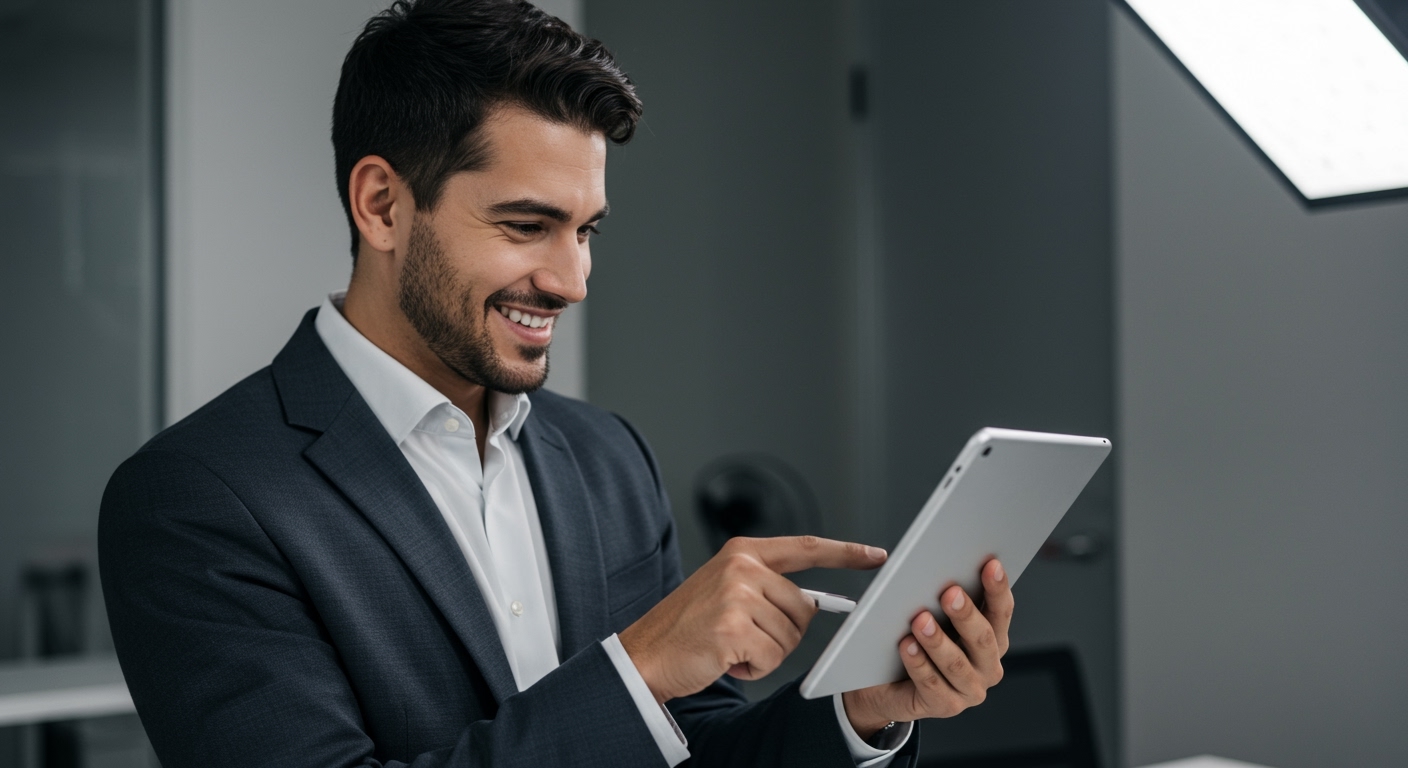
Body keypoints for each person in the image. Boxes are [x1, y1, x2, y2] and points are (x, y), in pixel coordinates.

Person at [98, 1, 1014, 766]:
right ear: (382, 204)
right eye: (527, 225)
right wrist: (639, 667)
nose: (572, 280)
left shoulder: (606, 456)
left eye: (587, 231)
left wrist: (861, 714)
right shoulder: (197, 498)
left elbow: (685, 744)